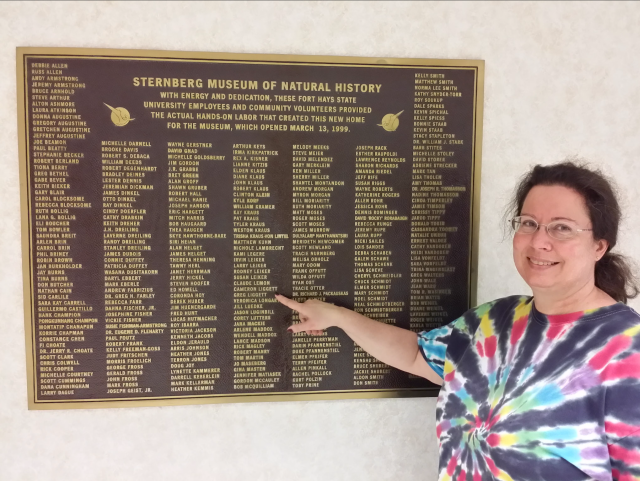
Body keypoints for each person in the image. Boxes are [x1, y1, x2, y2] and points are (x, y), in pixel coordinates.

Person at [276, 161, 640, 481]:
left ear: (599, 246)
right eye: (529, 223)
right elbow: (415, 355)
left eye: (562, 228)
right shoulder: (493, 321)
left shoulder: (626, 350)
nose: (539, 241)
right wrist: (338, 317)